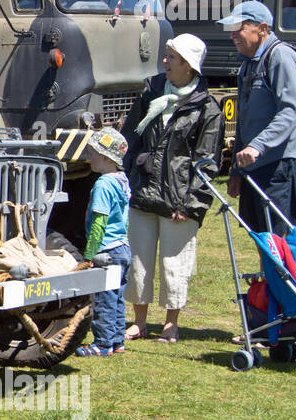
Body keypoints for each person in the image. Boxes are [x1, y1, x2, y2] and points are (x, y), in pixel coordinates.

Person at [120, 33, 225, 343]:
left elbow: (207, 162)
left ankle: (171, 323)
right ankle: (139, 322)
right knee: (138, 259)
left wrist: (192, 204)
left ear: (189, 66)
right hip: (143, 192)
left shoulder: (207, 108)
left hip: (180, 200)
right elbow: (130, 139)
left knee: (175, 263)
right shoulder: (149, 93)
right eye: (165, 55)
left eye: (171, 57)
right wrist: (129, 177)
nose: (164, 61)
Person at [219, 0, 296, 232]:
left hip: (281, 166)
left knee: (281, 241)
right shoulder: (247, 65)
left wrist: (258, 146)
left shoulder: (280, 56)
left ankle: (282, 272)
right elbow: (243, 122)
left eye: (238, 29)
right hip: (254, 166)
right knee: (262, 238)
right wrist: (237, 170)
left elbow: (291, 111)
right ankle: (267, 271)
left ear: (261, 29)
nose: (233, 36)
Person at [76, 127, 132, 357]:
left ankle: (103, 344)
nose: (88, 157)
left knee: (104, 298)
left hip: (105, 250)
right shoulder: (121, 180)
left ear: (107, 157)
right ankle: (118, 340)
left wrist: (89, 254)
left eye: (92, 152)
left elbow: (99, 222)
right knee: (117, 296)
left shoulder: (103, 185)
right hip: (122, 247)